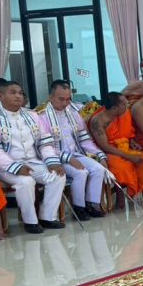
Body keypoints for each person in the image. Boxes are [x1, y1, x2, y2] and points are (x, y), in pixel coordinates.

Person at [0, 81, 66, 234]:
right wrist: (16, 167)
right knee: (26, 181)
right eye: (13, 92)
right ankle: (30, 221)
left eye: (20, 93)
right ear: (0, 95)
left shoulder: (33, 115)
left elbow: (45, 143)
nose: (18, 96)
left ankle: (47, 217)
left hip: (33, 162)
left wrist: (52, 162)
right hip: (3, 166)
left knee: (57, 175)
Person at [39, 80, 108, 220]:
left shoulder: (74, 114)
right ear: (51, 97)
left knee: (99, 169)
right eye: (61, 99)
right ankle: (79, 208)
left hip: (76, 154)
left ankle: (91, 204)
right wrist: (68, 158)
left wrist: (100, 155)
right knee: (81, 172)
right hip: (55, 159)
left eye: (68, 99)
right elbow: (45, 147)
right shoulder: (41, 117)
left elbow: (84, 140)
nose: (65, 103)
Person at [88, 92, 143, 203]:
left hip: (126, 148)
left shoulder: (124, 113)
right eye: (124, 104)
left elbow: (126, 132)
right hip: (109, 152)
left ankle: (136, 192)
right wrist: (128, 156)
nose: (127, 105)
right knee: (121, 169)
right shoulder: (97, 121)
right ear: (114, 108)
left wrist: (131, 141)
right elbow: (104, 146)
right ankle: (120, 195)